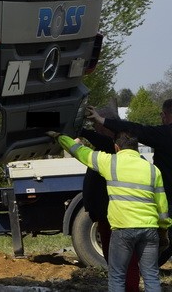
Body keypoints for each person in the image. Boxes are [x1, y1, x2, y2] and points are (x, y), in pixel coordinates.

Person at [51, 130, 169, 292]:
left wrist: (59, 137)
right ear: (137, 149)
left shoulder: (110, 163)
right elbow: (162, 206)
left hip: (123, 230)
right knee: (151, 275)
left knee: (117, 276)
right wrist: (163, 231)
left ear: (116, 147)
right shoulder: (152, 170)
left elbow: (80, 152)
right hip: (149, 231)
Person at [88, 100, 172, 265]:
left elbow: (137, 129)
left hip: (168, 199)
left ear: (164, 115)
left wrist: (101, 120)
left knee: (152, 258)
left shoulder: (166, 134)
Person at [80, 107, 140, 290]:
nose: (95, 128)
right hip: (106, 215)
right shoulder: (108, 146)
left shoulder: (113, 146)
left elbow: (102, 140)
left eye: (97, 124)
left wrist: (81, 131)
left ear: (107, 125)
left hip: (114, 216)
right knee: (115, 260)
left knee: (123, 261)